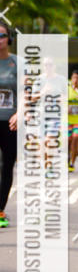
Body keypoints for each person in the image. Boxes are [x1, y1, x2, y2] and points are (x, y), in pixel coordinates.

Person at [0, 25, 18, 228]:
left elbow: (26, 92)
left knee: (6, 166)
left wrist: (19, 113)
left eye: (2, 35)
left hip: (10, 123)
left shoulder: (17, 63)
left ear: (8, 39)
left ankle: (0, 209)